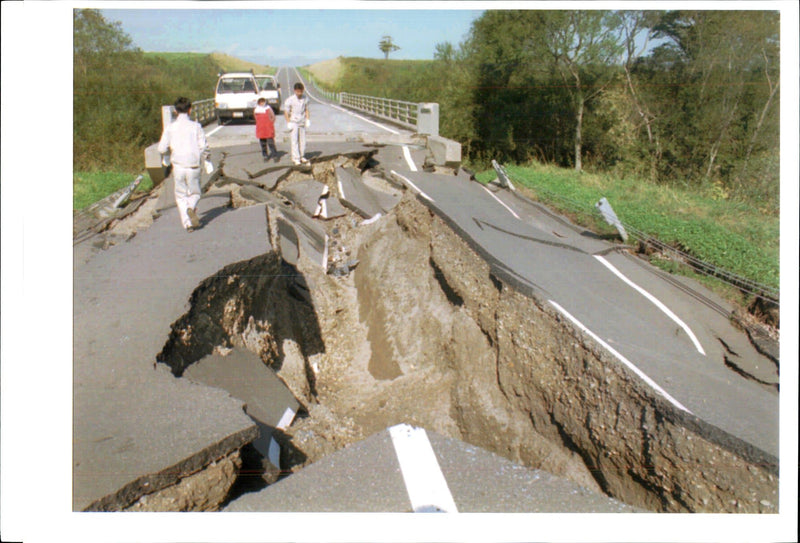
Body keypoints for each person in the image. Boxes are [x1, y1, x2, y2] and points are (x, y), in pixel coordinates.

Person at [158, 96, 210, 232]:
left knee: (181, 196)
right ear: (190, 110)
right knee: (195, 193)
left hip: (178, 167)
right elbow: (204, 147)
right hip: (193, 165)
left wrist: (167, 156)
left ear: (175, 111)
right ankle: (191, 207)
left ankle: (187, 224)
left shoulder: (170, 128)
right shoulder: (196, 126)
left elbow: (161, 148)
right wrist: (207, 160)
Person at [283, 82, 310, 165]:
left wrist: (307, 119)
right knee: (294, 140)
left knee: (303, 140)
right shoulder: (290, 100)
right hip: (294, 121)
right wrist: (288, 122)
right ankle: (295, 157)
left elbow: (306, 109)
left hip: (302, 121)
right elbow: (286, 112)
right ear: (294, 91)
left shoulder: (305, 98)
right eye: (298, 92)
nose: (299, 93)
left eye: (301, 91)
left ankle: (302, 156)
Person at [254, 97, 277, 161]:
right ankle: (265, 155)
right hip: (261, 129)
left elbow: (273, 117)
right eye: (261, 102)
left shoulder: (268, 108)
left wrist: (270, 123)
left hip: (268, 128)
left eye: (263, 102)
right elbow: (256, 118)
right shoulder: (256, 110)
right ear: (258, 103)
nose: (262, 103)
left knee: (271, 143)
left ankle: (274, 155)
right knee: (263, 143)